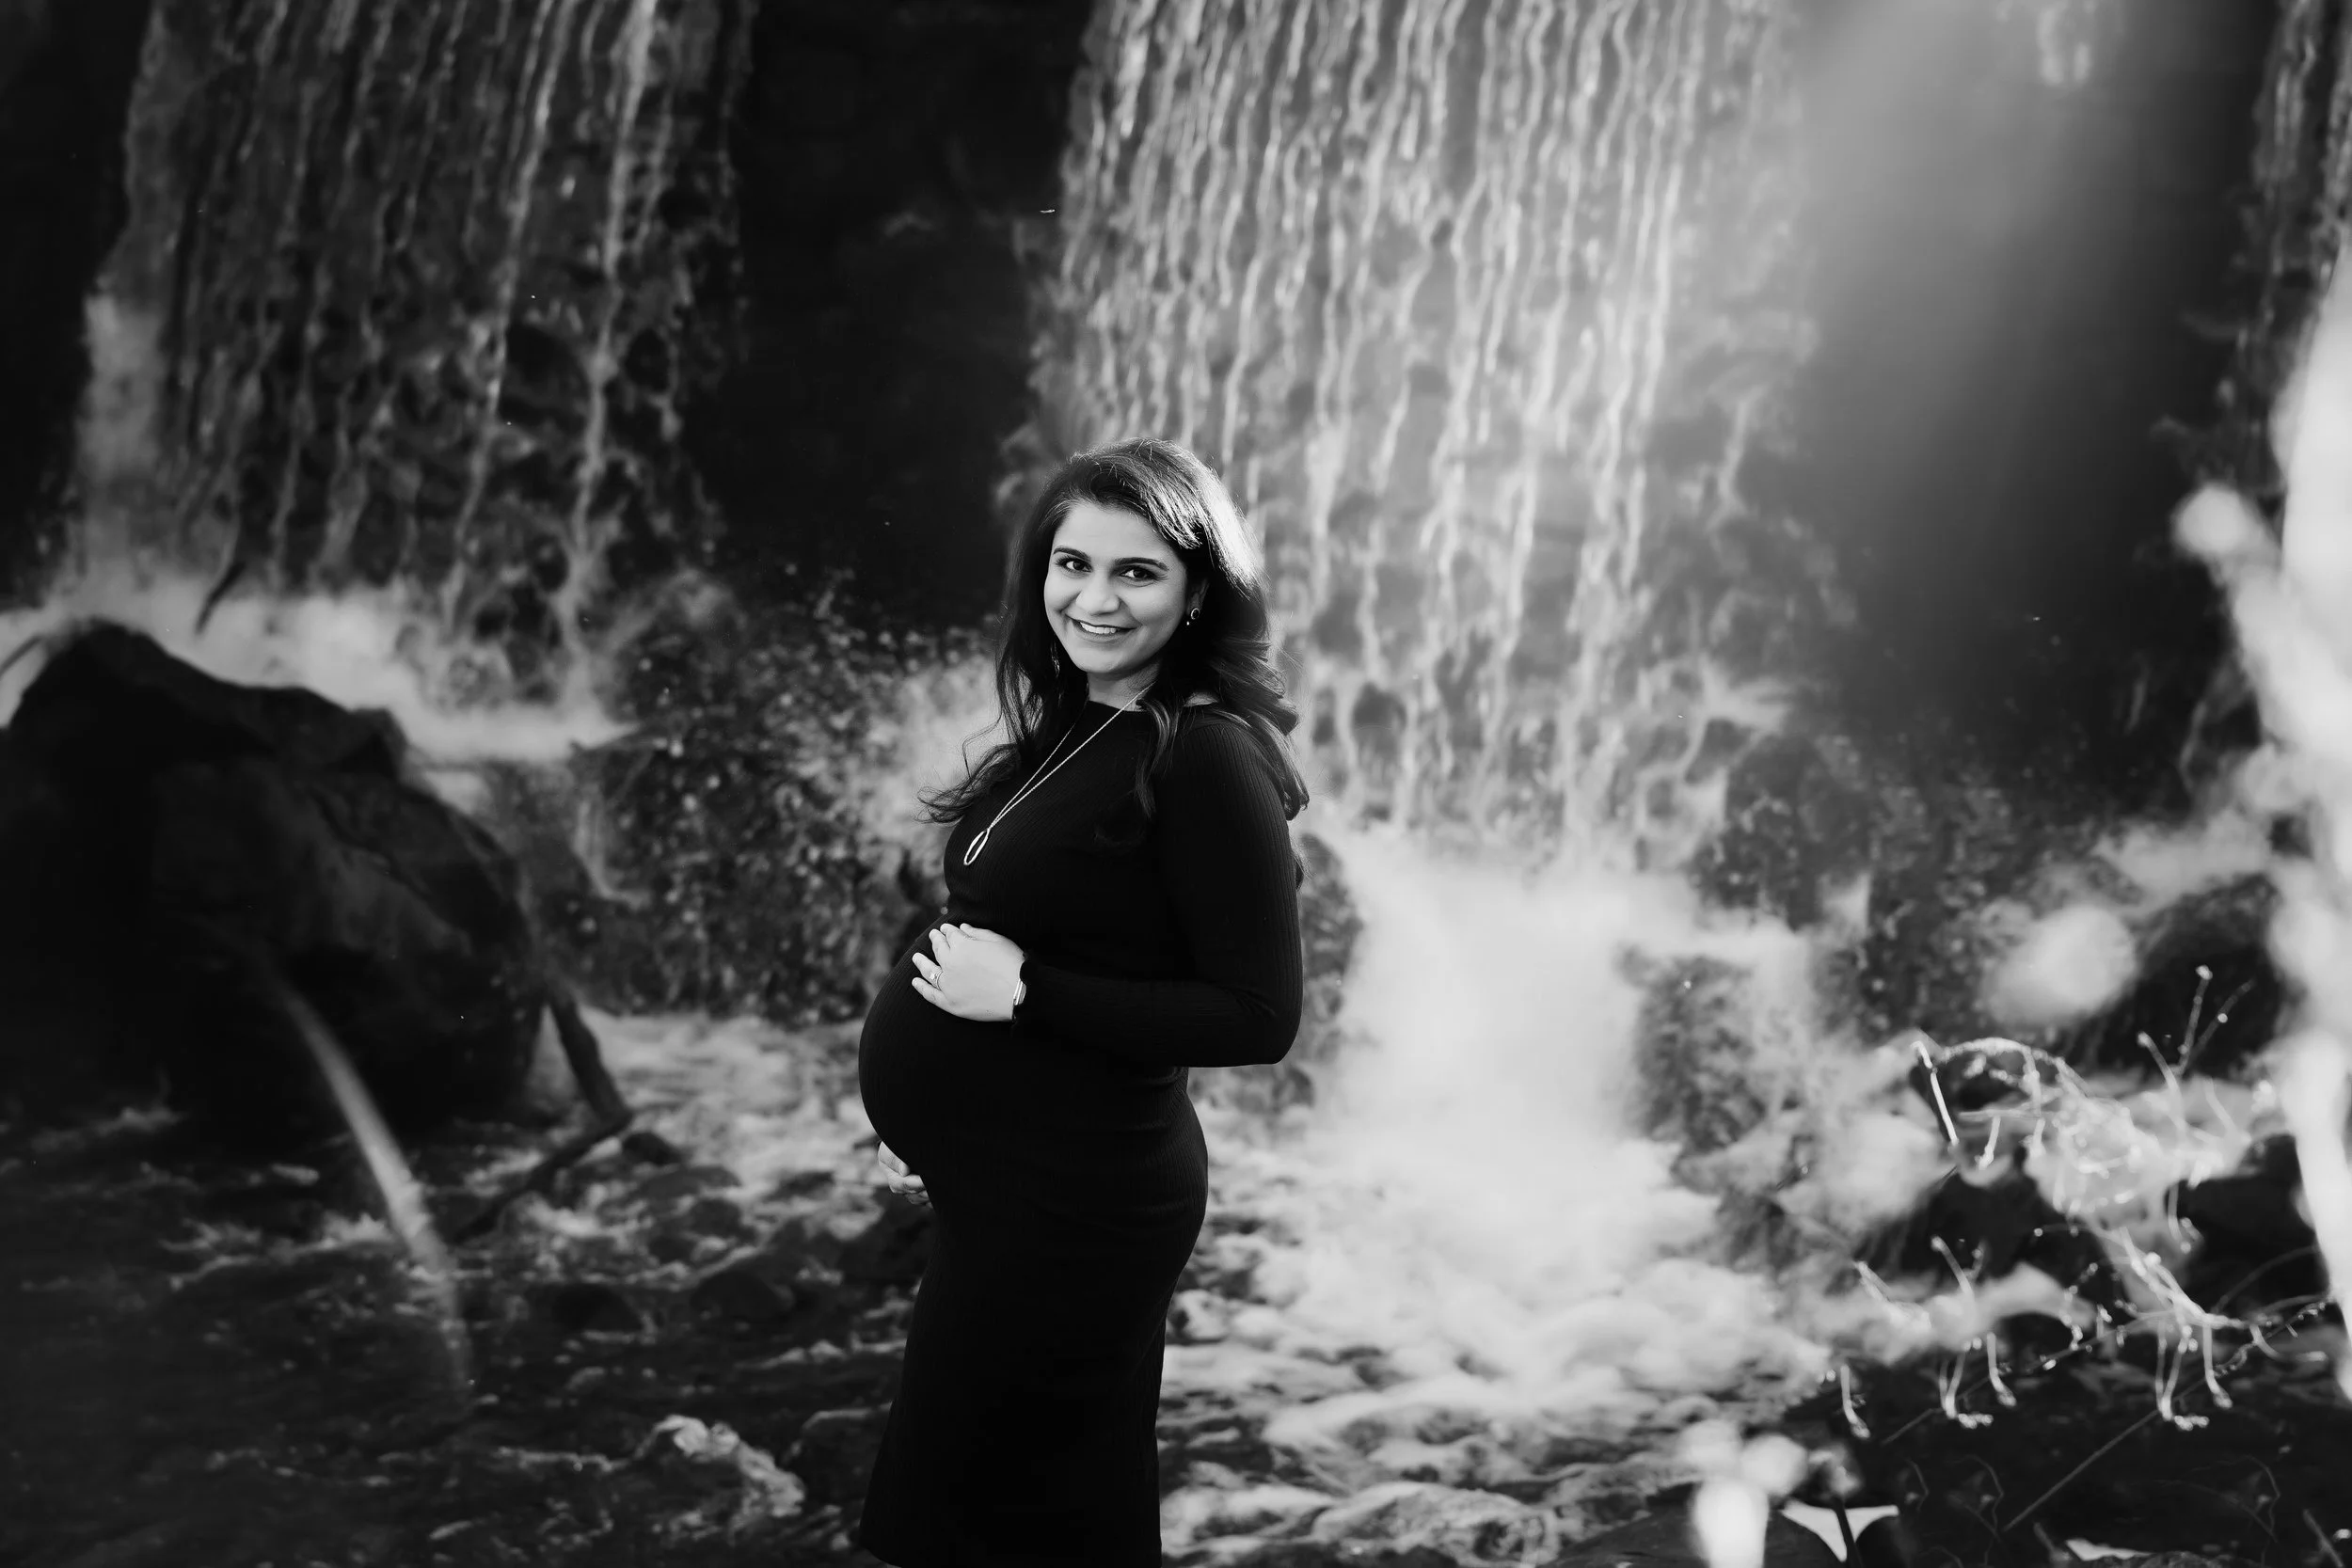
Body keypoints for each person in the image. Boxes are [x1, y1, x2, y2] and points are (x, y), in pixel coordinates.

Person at [854, 436, 1309, 1565]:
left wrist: (1024, 994)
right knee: (1018, 1508)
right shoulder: (1089, 714)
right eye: (1072, 564)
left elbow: (1259, 1015)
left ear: (1199, 589)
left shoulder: (1204, 754)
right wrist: (949, 1123)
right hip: (1012, 1180)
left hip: (1081, 1200)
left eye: (1135, 572)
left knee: (978, 1514)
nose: (1092, 598)